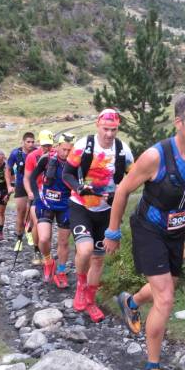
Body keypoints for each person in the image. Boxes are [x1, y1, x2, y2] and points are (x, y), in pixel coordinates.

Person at [105, 94, 185, 370]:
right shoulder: (155, 157)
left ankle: (130, 302)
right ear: (178, 122)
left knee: (168, 286)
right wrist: (112, 232)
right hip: (148, 228)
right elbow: (123, 191)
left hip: (176, 230)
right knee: (165, 298)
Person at [62, 109, 133, 322]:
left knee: (98, 259)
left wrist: (119, 193)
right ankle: (80, 287)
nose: (109, 134)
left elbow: (134, 178)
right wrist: (78, 187)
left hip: (107, 211)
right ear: (97, 125)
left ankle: (91, 302)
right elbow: (67, 173)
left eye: (114, 129)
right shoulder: (83, 146)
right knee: (84, 250)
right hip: (80, 206)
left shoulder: (123, 150)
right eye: (106, 129)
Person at [29, 133, 75, 287]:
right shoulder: (47, 159)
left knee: (63, 242)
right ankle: (49, 262)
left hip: (65, 205)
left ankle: (61, 272)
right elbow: (32, 178)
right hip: (46, 203)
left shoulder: (76, 162)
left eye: (69, 150)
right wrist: (37, 197)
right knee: (43, 239)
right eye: (63, 149)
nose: (66, 153)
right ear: (57, 146)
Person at [23, 129, 55, 264]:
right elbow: (27, 178)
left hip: (53, 193)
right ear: (40, 143)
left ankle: (47, 252)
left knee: (49, 225)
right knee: (37, 222)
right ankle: (36, 251)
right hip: (38, 192)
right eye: (44, 145)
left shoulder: (56, 154)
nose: (47, 148)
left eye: (49, 145)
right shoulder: (32, 156)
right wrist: (30, 192)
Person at [8, 132, 35, 244]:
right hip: (20, 185)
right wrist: (9, 185)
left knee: (32, 212)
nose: (31, 144)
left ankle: (29, 233)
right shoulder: (16, 153)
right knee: (21, 211)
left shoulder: (36, 152)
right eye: (28, 142)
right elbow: (7, 169)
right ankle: (19, 236)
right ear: (23, 142)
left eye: (32, 142)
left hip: (34, 185)